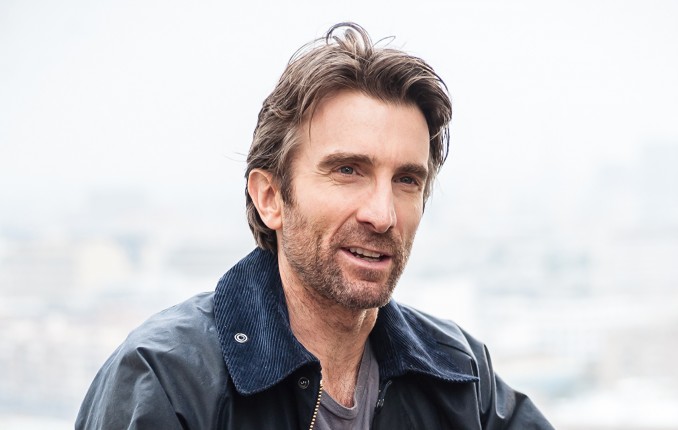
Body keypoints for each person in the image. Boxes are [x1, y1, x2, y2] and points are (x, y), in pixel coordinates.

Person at [76, 22, 554, 429]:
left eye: (407, 180)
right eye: (348, 170)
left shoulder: (461, 377)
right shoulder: (167, 381)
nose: (382, 214)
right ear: (270, 198)